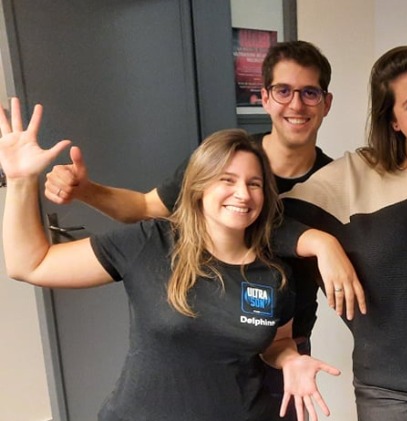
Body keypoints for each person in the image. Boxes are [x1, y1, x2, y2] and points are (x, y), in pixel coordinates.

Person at [0, 98, 341, 421]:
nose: (242, 194)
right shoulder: (151, 243)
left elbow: (277, 343)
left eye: (254, 184)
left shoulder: (273, 274)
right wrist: (20, 181)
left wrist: (290, 360)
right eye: (227, 180)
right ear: (198, 187)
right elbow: (30, 264)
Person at [279, 45, 407, 421]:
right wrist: (322, 244)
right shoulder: (355, 174)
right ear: (393, 121)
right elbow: (268, 223)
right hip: (383, 390)